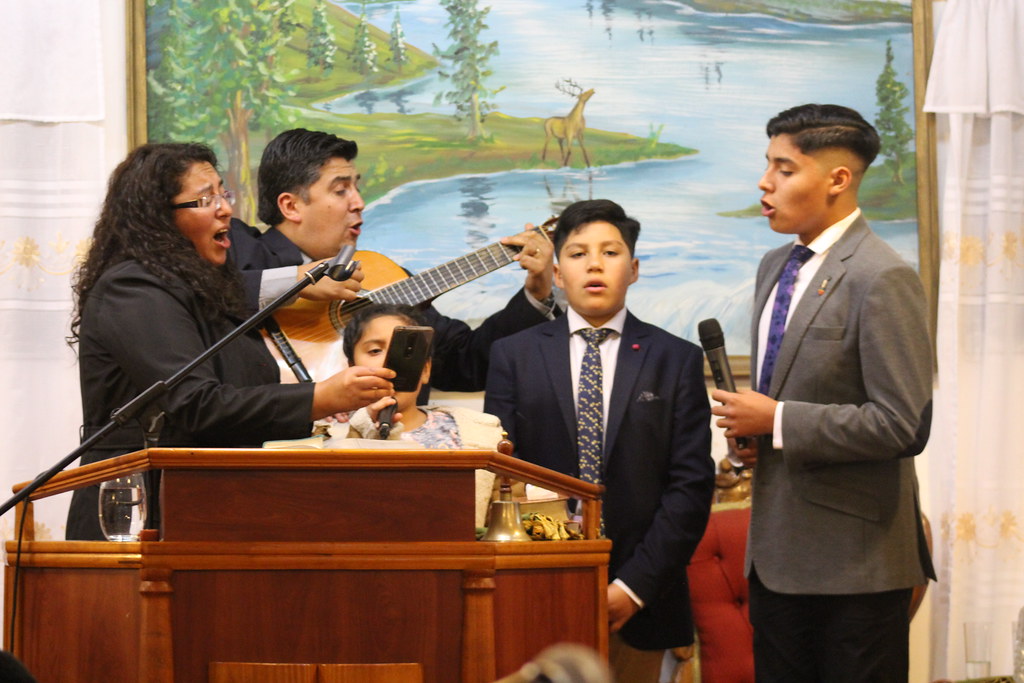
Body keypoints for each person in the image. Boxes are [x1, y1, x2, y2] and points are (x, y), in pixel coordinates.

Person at [66, 143, 396, 540]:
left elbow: (240, 394)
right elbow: (197, 404)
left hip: (207, 503)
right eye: (206, 199)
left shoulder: (207, 289)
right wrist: (321, 397)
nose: (225, 209)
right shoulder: (133, 288)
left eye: (224, 193)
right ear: (158, 217)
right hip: (139, 510)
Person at [710, 104, 934, 682]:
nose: (765, 183)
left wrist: (780, 421)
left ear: (838, 179)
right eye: (768, 166)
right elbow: (789, 397)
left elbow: (903, 424)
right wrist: (758, 439)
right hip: (777, 558)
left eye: (784, 169)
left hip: (856, 569)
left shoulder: (882, 276)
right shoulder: (772, 266)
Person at [484, 199, 714, 683]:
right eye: (577, 253)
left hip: (642, 598)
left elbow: (689, 487)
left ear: (632, 269)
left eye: (610, 253)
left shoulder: (675, 360)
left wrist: (632, 588)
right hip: (540, 589)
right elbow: (504, 478)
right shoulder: (513, 356)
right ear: (559, 271)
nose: (594, 264)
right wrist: (557, 572)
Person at [229, 128, 558, 392]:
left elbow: (465, 364)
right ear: (290, 206)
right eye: (341, 190)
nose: (359, 203)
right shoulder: (241, 248)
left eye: (356, 188)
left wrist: (537, 292)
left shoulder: (382, 273)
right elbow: (200, 296)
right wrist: (300, 282)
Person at [339, 303, 505, 527]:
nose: (390, 362)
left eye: (405, 351)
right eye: (375, 351)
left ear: (425, 370)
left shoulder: (477, 432)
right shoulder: (335, 433)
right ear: (350, 367)